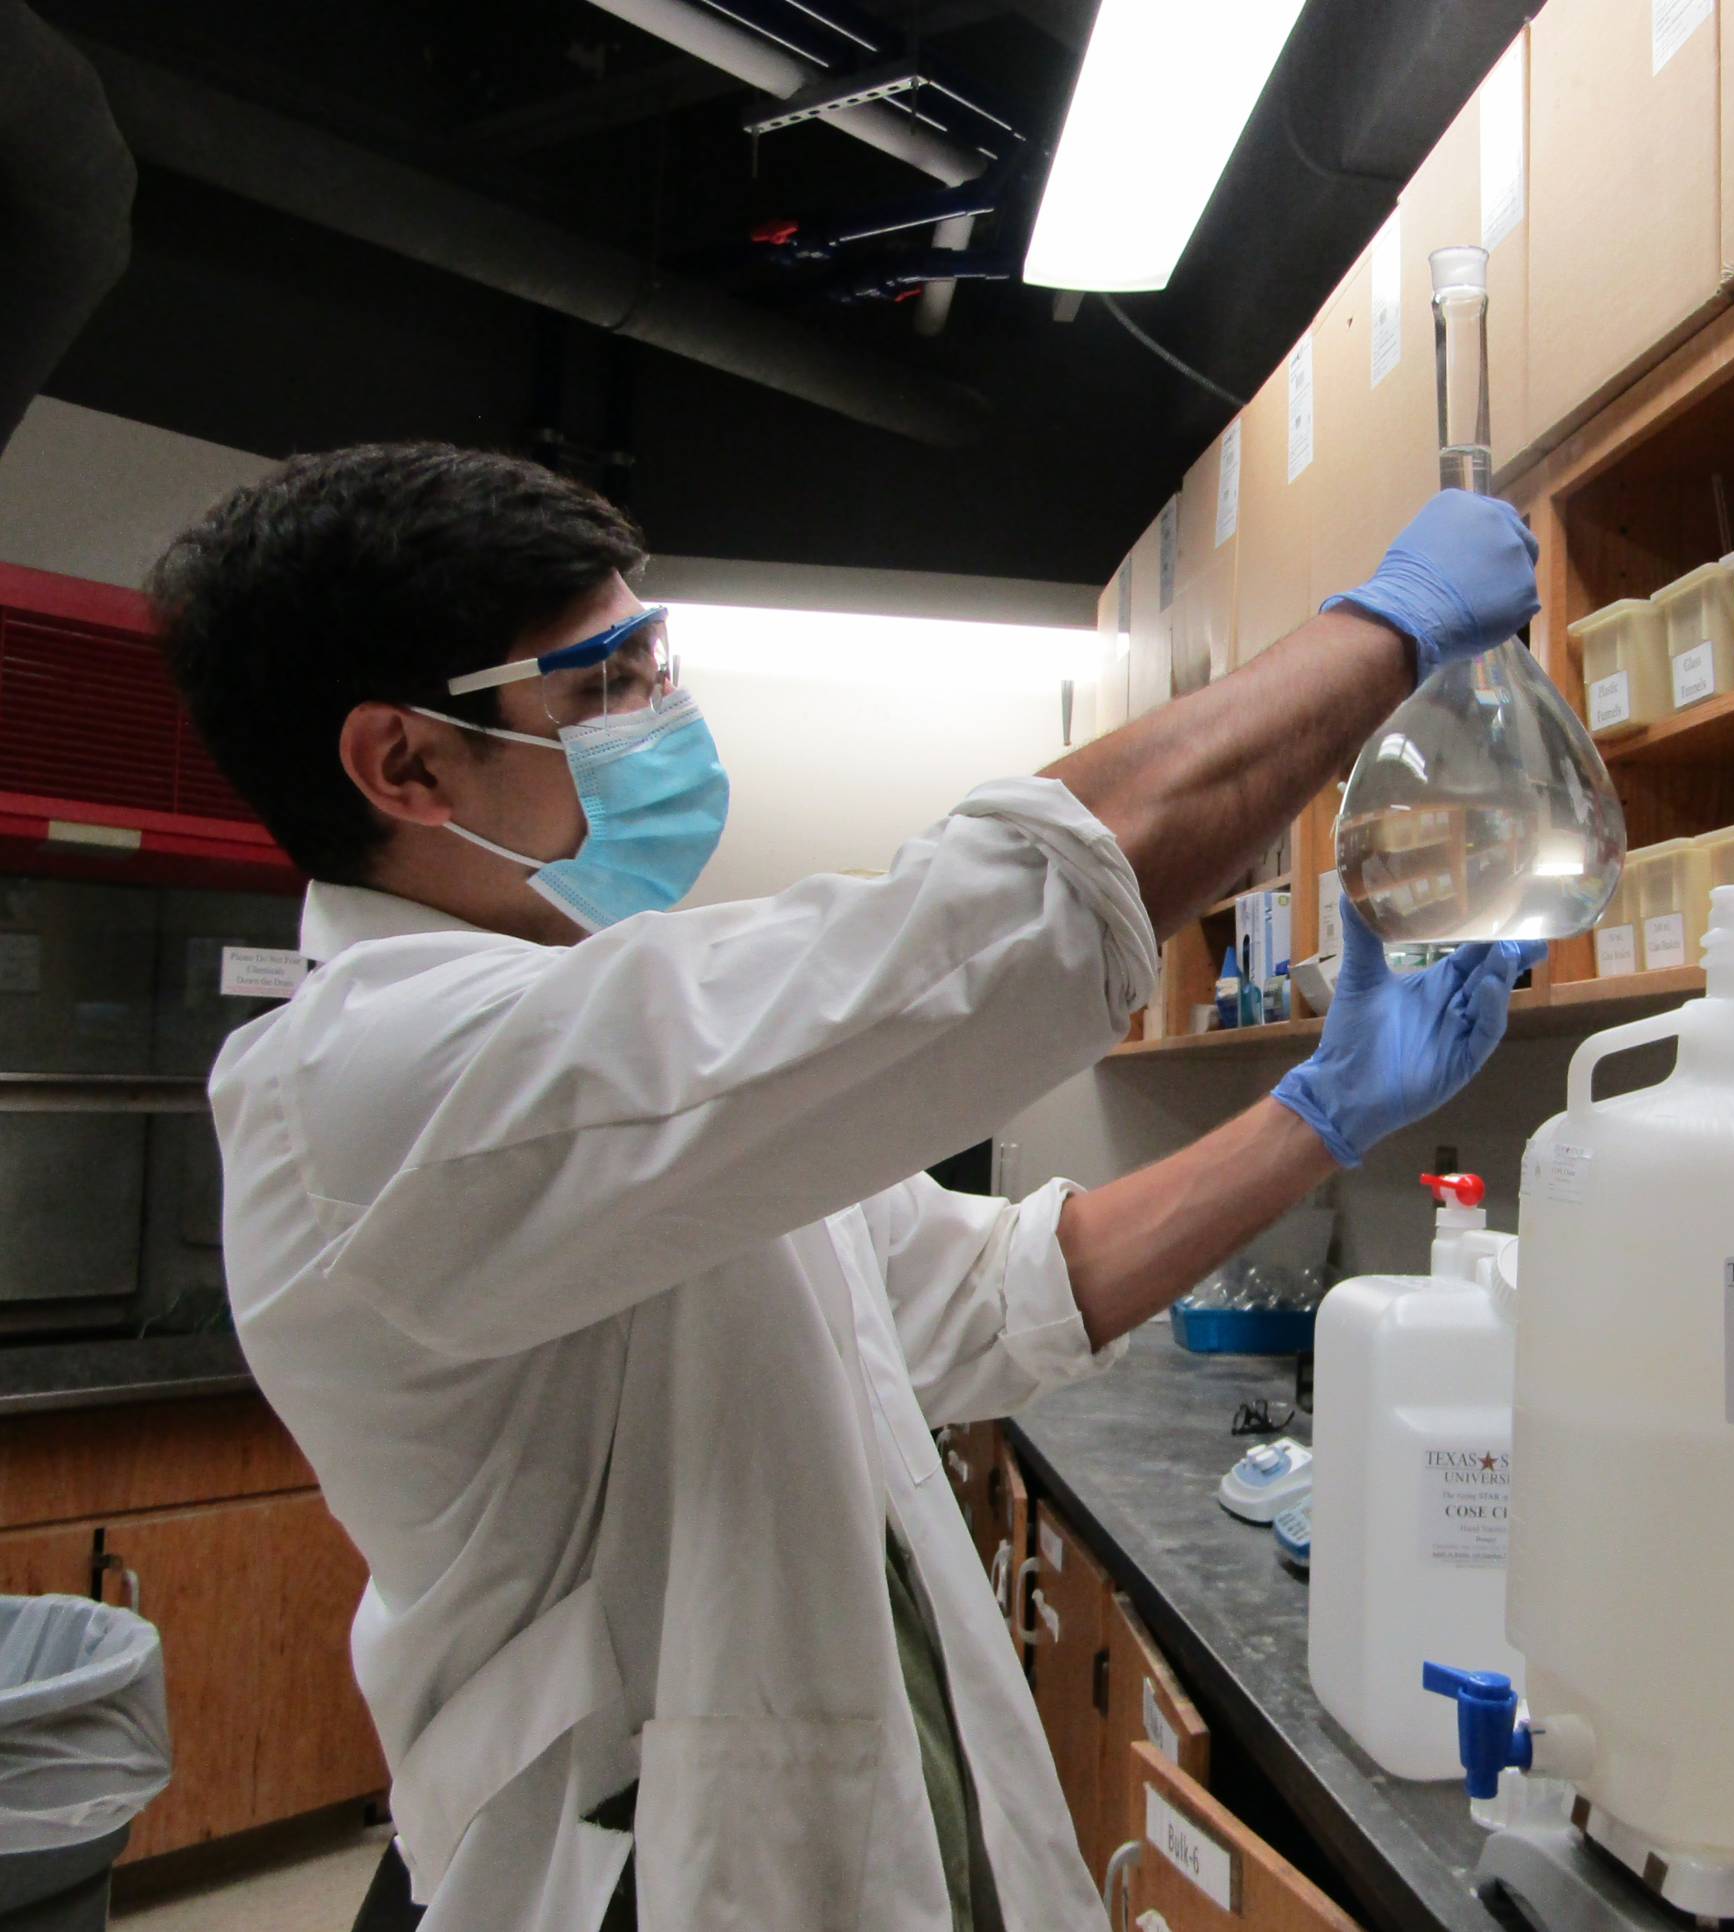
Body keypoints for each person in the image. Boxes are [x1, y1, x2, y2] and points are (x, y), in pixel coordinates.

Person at [148, 443, 1542, 1932]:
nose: (659, 721)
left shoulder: (598, 1052)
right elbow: (992, 925)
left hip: (864, 1824)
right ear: (405, 764)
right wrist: (1388, 629)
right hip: (634, 1875)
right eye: (600, 687)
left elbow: (984, 1291)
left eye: (654, 663)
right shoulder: (367, 1085)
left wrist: (1319, 1117)